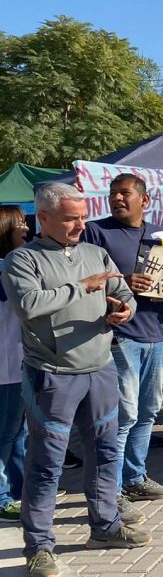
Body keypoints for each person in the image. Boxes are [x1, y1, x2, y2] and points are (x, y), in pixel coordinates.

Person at [2, 183, 149, 576]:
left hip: (100, 369)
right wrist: (79, 287)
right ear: (43, 217)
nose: (80, 225)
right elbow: (29, 305)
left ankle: (105, 526)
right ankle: (39, 547)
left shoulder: (94, 253)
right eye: (71, 218)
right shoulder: (22, 260)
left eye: (83, 216)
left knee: (104, 452)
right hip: (51, 375)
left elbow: (122, 293)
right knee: (47, 463)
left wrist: (124, 310)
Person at [80, 175, 163, 514]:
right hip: (120, 336)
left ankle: (136, 477)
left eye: (124, 193)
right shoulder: (96, 232)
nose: (117, 199)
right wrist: (123, 283)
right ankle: (111, 490)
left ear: (145, 199)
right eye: (113, 194)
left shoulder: (160, 236)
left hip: (156, 334)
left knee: (148, 411)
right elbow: (84, 281)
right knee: (123, 415)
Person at [0, 206, 28, 523]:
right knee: (5, 434)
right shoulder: (5, 268)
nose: (25, 228)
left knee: (18, 433)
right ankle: (2, 496)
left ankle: (20, 489)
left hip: (16, 362)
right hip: (4, 365)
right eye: (19, 224)